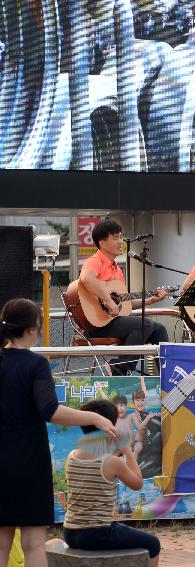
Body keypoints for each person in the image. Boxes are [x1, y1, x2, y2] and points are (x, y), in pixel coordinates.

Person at [0, 298, 118, 567]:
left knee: (1, 542)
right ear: (33, 329)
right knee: (32, 544)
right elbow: (50, 410)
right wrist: (93, 417)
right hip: (29, 460)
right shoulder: (35, 365)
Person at [62, 399, 161, 566]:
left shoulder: (71, 457)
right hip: (99, 533)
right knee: (153, 544)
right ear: (108, 427)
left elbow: (97, 471)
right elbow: (137, 483)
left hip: (70, 532)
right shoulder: (110, 462)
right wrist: (126, 450)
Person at [80, 220, 169, 374]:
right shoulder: (95, 261)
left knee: (159, 329)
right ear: (102, 243)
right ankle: (119, 369)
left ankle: (167, 374)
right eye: (115, 238)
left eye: (121, 237)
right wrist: (108, 301)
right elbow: (87, 279)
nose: (121, 241)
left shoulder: (117, 270)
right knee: (145, 324)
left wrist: (151, 300)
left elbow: (123, 301)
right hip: (95, 325)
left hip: (111, 321)